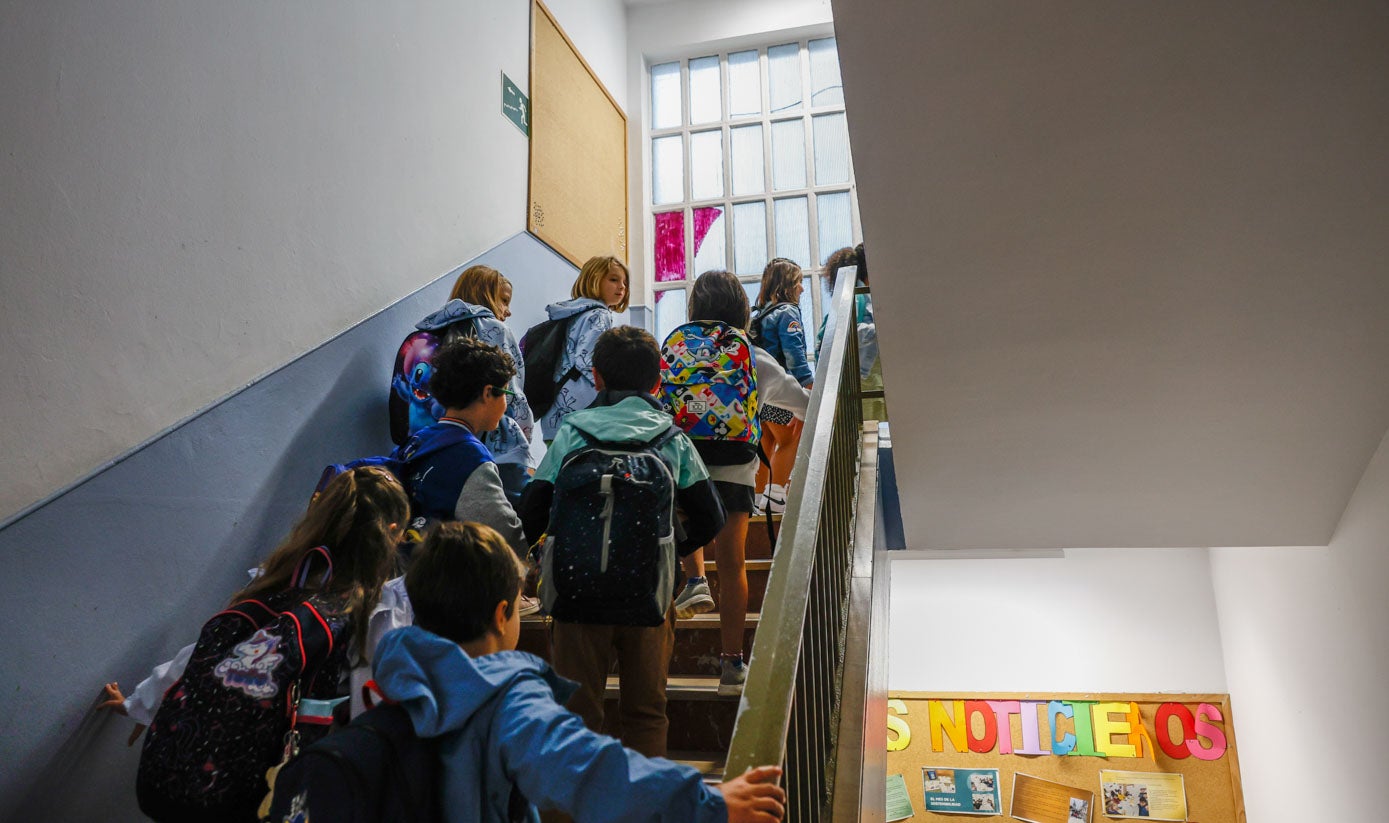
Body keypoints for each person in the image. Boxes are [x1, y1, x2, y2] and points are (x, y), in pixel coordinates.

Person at [372, 520, 787, 823]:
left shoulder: (390, 682)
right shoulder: (503, 699)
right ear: (502, 615)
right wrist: (708, 804)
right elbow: (594, 770)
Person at [102, 467, 410, 821]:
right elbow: (370, 708)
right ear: (391, 532)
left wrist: (140, 703)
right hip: (274, 782)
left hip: (200, 776)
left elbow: (203, 654)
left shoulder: (277, 579)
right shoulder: (374, 611)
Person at [518, 326, 725, 757]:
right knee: (646, 713)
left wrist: (546, 552)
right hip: (648, 597)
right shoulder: (671, 438)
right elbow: (712, 517)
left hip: (575, 596)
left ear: (596, 377)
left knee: (576, 715)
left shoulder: (572, 433)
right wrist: (669, 551)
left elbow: (531, 511)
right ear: (657, 382)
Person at [664, 271, 808, 695]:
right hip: (735, 466)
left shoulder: (675, 349)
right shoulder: (750, 353)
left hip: (683, 463)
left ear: (695, 307)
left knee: (682, 539)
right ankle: (732, 665)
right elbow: (799, 400)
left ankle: (693, 582)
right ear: (740, 308)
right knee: (733, 563)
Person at [389, 336, 528, 557]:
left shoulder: (418, 441)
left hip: (403, 563)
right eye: (505, 393)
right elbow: (505, 535)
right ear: (488, 393)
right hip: (441, 571)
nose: (505, 405)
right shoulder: (471, 458)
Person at [408, 264, 534, 496]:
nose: (507, 311)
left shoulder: (435, 328)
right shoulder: (495, 329)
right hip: (492, 447)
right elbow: (513, 396)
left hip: (436, 441)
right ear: (485, 295)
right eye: (504, 301)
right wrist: (524, 436)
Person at [538, 255, 629, 440]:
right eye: (613, 280)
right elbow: (588, 361)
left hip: (557, 410)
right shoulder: (599, 315)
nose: (621, 287)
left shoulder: (575, 312)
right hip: (581, 413)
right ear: (594, 279)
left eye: (624, 282)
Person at [749, 258, 813, 514]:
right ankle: (776, 496)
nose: (802, 289)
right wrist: (809, 388)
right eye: (799, 282)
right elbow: (794, 355)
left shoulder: (760, 314)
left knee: (766, 444)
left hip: (762, 394)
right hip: (782, 389)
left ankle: (757, 498)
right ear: (788, 285)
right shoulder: (788, 312)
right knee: (790, 439)